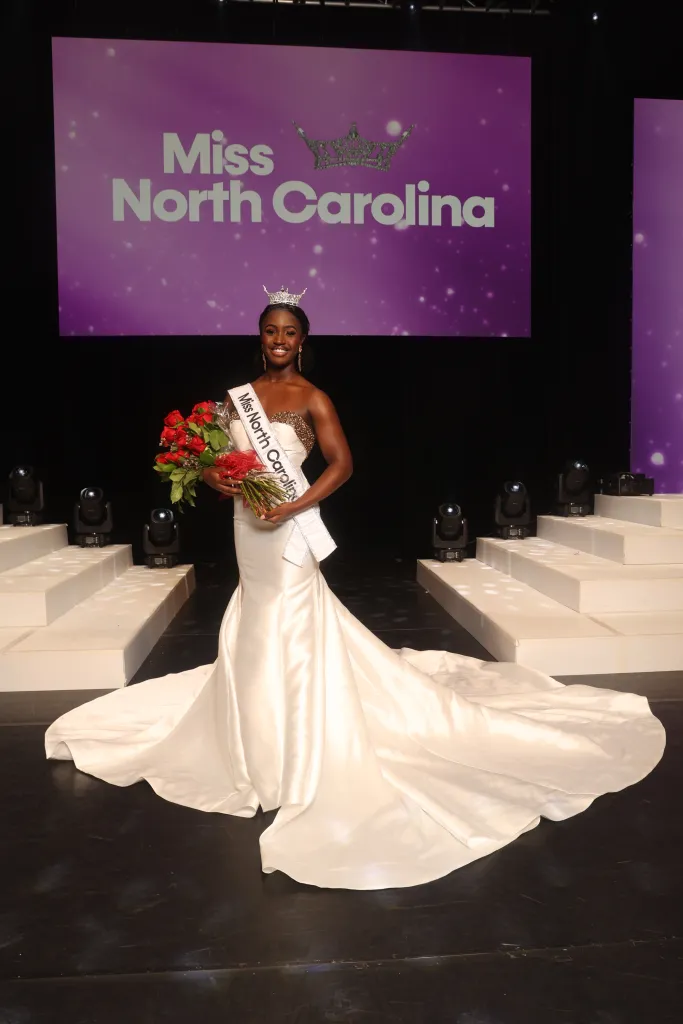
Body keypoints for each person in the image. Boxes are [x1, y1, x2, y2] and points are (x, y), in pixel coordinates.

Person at [45, 293, 665, 891]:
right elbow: (209, 460)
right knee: (257, 618)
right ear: (260, 338)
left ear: (302, 342)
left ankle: (295, 750)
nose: (280, 340)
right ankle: (253, 743)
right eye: (271, 331)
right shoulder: (237, 400)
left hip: (288, 526)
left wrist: (295, 501)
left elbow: (341, 465)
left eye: (290, 332)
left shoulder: (314, 398)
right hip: (246, 529)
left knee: (291, 619)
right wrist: (223, 481)